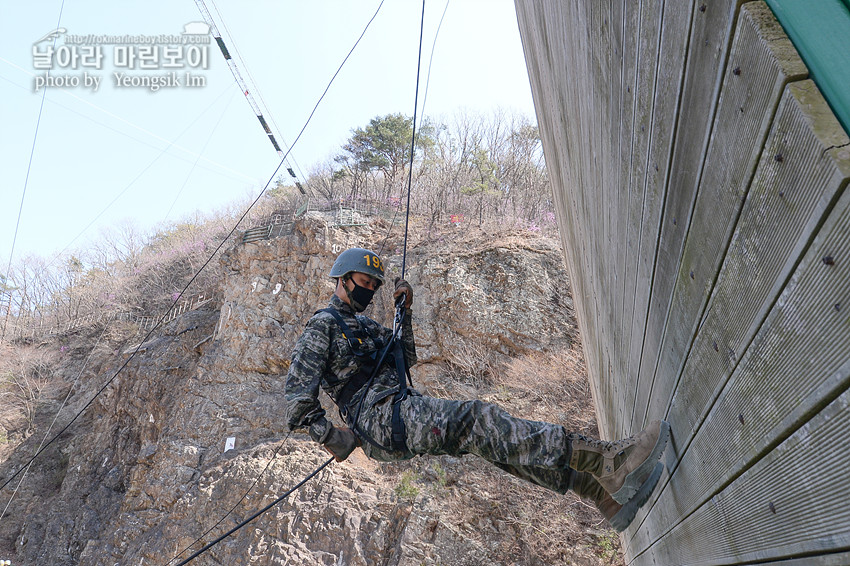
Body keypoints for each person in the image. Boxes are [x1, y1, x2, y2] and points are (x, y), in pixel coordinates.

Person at [284, 247, 670, 531]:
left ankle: (601, 495)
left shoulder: (366, 327)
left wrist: (406, 312)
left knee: (487, 442)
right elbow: (298, 399)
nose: (369, 290)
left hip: (399, 411)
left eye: (374, 285)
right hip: (381, 421)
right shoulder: (324, 325)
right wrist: (333, 437)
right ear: (342, 280)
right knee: (476, 418)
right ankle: (608, 462)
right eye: (364, 283)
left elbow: (406, 357)